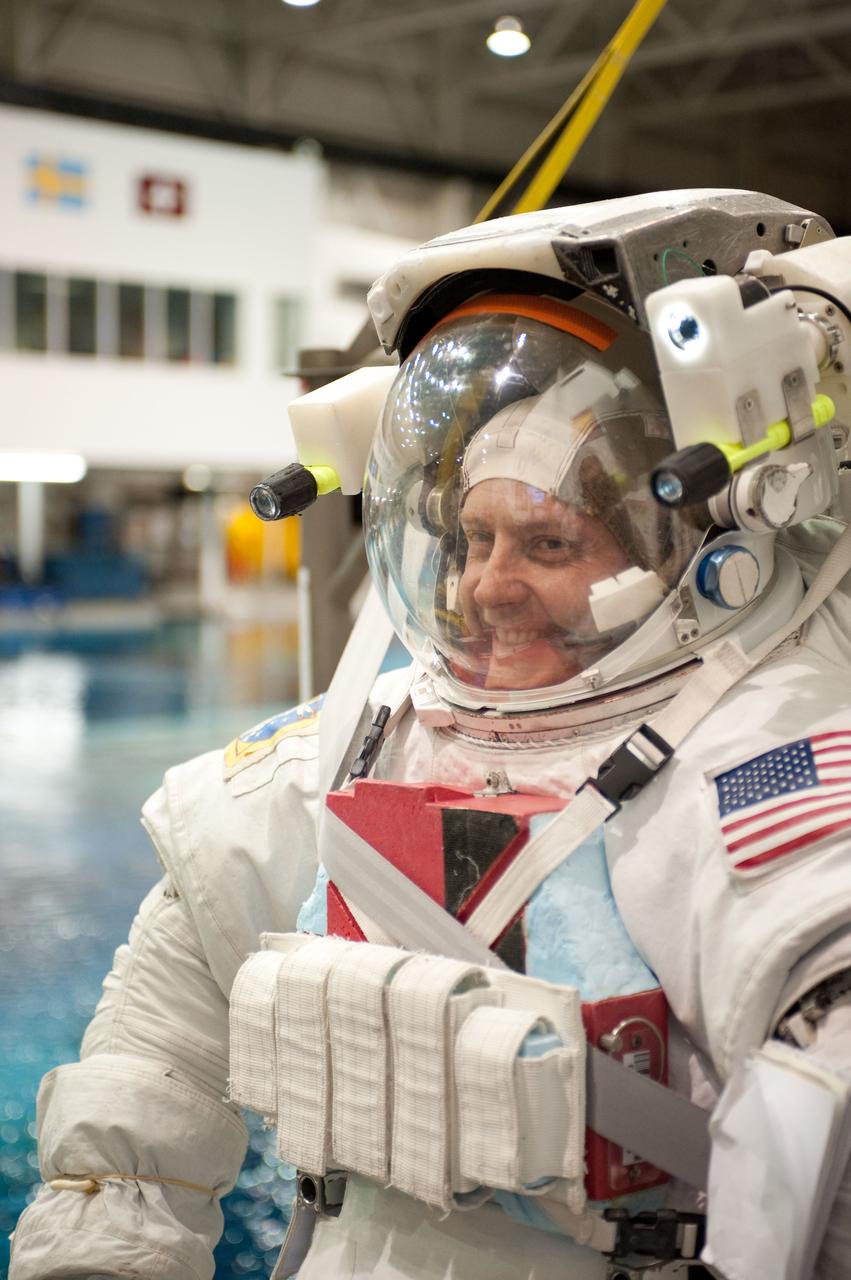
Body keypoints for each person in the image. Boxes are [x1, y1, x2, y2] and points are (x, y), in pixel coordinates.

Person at [10, 188, 851, 1280]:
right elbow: (139, 1104)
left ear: (666, 551)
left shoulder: (756, 771)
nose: (488, 584)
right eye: (474, 535)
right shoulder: (341, 753)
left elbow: (810, 1166)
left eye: (547, 543)